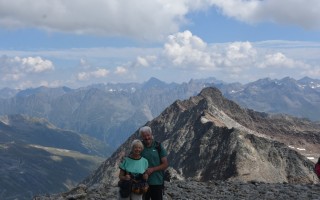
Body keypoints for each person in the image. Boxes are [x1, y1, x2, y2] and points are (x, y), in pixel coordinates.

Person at [139, 126, 168, 200]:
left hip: (157, 182)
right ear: (141, 137)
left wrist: (152, 169)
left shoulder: (158, 146)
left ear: (151, 134)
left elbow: (165, 164)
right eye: (144, 136)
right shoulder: (139, 147)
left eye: (148, 135)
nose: (147, 137)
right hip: (142, 182)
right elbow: (133, 161)